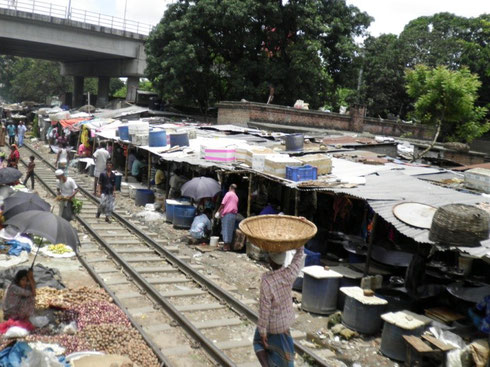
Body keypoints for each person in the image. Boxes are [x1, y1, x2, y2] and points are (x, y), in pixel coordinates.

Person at [254, 246, 304, 367]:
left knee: (258, 342)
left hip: (272, 325)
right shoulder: (289, 273)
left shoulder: (267, 280)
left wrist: (263, 332)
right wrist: (299, 244)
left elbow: (264, 309)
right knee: (283, 351)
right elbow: (299, 256)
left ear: (271, 260)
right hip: (285, 323)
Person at [218, 184, 239, 251]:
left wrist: (218, 211)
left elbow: (223, 204)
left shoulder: (228, 194)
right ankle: (228, 246)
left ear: (230, 188)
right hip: (233, 215)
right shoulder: (236, 197)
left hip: (227, 214)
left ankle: (225, 246)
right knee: (230, 230)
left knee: (225, 229)